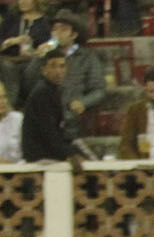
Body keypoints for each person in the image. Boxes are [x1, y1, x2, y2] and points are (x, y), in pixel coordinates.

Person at [20, 11, 104, 140]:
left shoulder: (87, 57)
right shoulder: (46, 56)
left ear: (74, 34)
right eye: (55, 29)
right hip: (47, 113)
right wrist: (38, 57)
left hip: (73, 115)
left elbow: (98, 90)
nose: (57, 33)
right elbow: (29, 82)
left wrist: (83, 102)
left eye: (63, 29)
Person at [19, 48, 71, 162]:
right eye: (53, 66)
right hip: (41, 157)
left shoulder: (55, 91)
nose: (58, 71)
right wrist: (68, 155)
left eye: (62, 66)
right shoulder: (42, 93)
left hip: (50, 153)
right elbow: (48, 132)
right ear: (43, 69)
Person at [0, 0, 50, 108]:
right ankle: (10, 107)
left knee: (35, 66)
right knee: (7, 67)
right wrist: (12, 41)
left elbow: (52, 43)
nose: (22, 2)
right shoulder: (11, 19)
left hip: (33, 63)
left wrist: (38, 50)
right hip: (10, 60)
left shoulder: (46, 22)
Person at [0, 86, 22, 162]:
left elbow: (28, 152)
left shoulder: (18, 119)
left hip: (20, 169)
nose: (2, 102)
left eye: (4, 97)